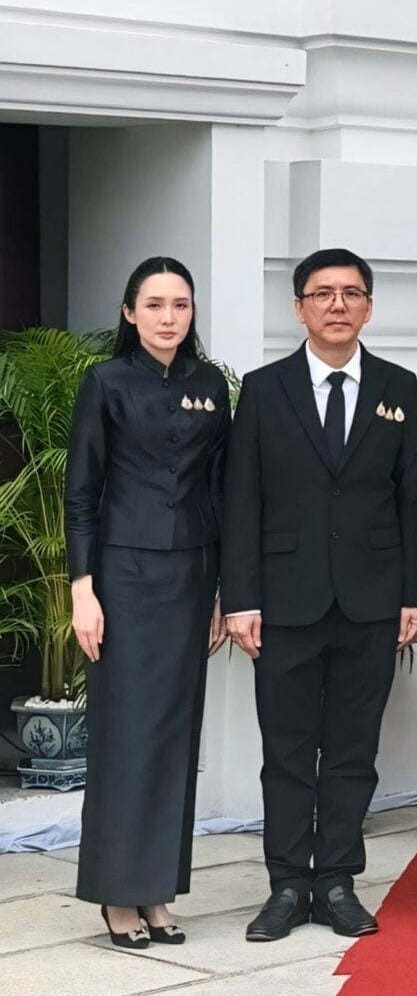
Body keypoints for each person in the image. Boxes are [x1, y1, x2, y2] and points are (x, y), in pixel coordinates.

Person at [222, 248, 417, 942]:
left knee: (352, 750)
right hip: (284, 601)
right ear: (298, 307)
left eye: (351, 293)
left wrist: (415, 594)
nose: (337, 305)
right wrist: (240, 597)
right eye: (322, 293)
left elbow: (413, 498)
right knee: (286, 750)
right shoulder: (264, 389)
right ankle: (287, 885)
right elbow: (241, 498)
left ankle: (337, 881)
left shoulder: (397, 387)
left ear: (368, 306)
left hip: (372, 602)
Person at [64, 258, 229, 949]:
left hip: (192, 576)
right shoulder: (105, 382)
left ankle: (157, 890)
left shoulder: (209, 385)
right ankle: (116, 894)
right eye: (155, 304)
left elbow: (219, 489)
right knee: (126, 734)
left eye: (180, 304)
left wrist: (222, 591)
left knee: (174, 736)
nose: (169, 317)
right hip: (123, 579)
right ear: (130, 313)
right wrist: (82, 589)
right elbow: (81, 490)